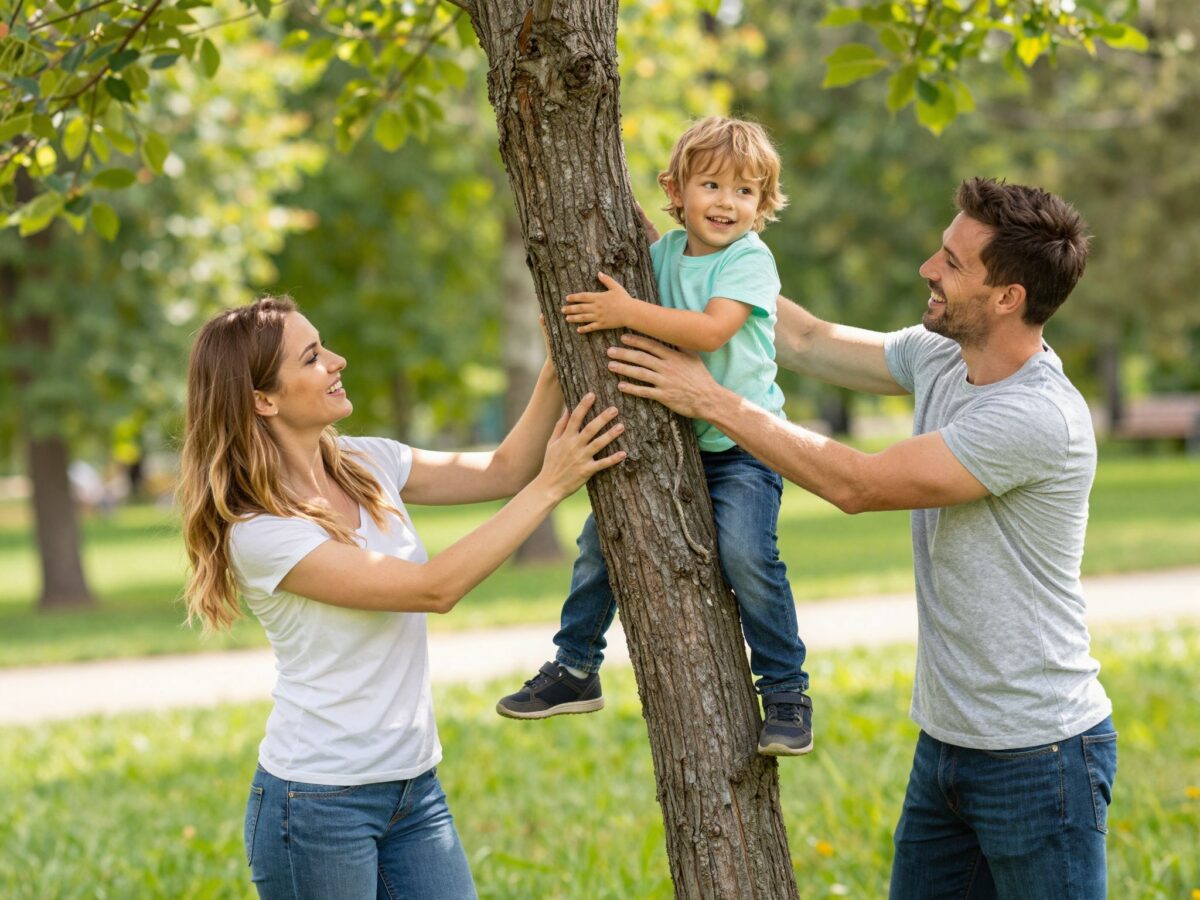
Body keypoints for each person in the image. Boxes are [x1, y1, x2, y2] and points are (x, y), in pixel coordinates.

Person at [605, 177, 1117, 898]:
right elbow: (808, 340)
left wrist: (710, 398)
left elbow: (858, 483)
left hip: (1041, 756)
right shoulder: (942, 355)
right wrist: (696, 250)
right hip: (948, 745)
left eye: (952, 262)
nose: (927, 270)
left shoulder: (1035, 419)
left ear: (1009, 298)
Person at [178, 296, 625, 900]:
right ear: (263, 399)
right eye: (312, 357)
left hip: (414, 788)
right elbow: (430, 589)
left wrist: (553, 366)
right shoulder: (261, 532)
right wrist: (553, 486)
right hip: (317, 806)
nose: (336, 361)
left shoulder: (368, 460)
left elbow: (501, 469)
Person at [495, 116, 814, 757]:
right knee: (600, 542)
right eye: (712, 185)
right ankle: (576, 666)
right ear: (679, 190)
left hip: (744, 447)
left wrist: (626, 312)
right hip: (676, 440)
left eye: (745, 191)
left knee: (747, 556)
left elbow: (709, 331)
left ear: (763, 204)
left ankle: (785, 691)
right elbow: (631, 245)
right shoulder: (665, 253)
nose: (727, 203)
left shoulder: (750, 260)